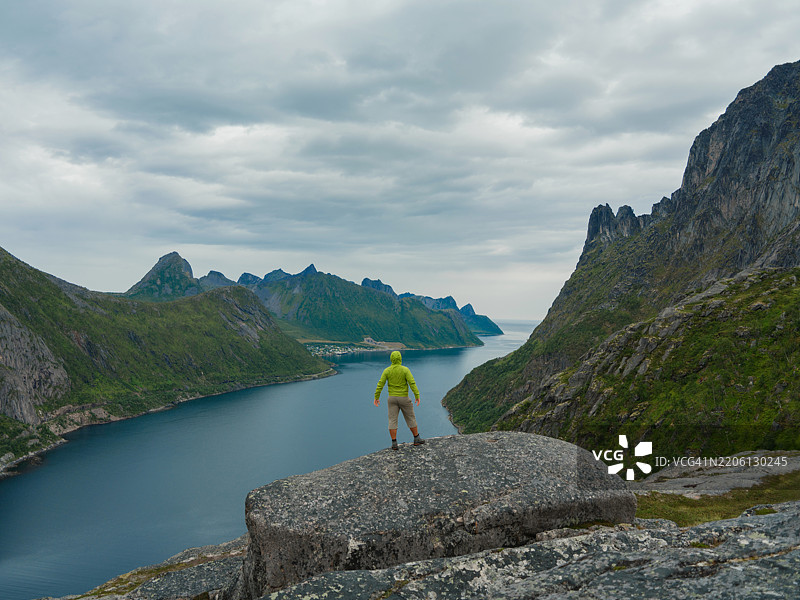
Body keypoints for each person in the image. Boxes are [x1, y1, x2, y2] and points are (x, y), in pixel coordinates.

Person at [374, 350, 424, 450]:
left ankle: (394, 443)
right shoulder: (405, 370)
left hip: (391, 398)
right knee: (410, 418)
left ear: (391, 359)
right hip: (404, 398)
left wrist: (376, 397)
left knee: (392, 420)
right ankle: (416, 439)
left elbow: (380, 384)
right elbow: (412, 383)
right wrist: (417, 395)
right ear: (400, 358)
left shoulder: (387, 371)